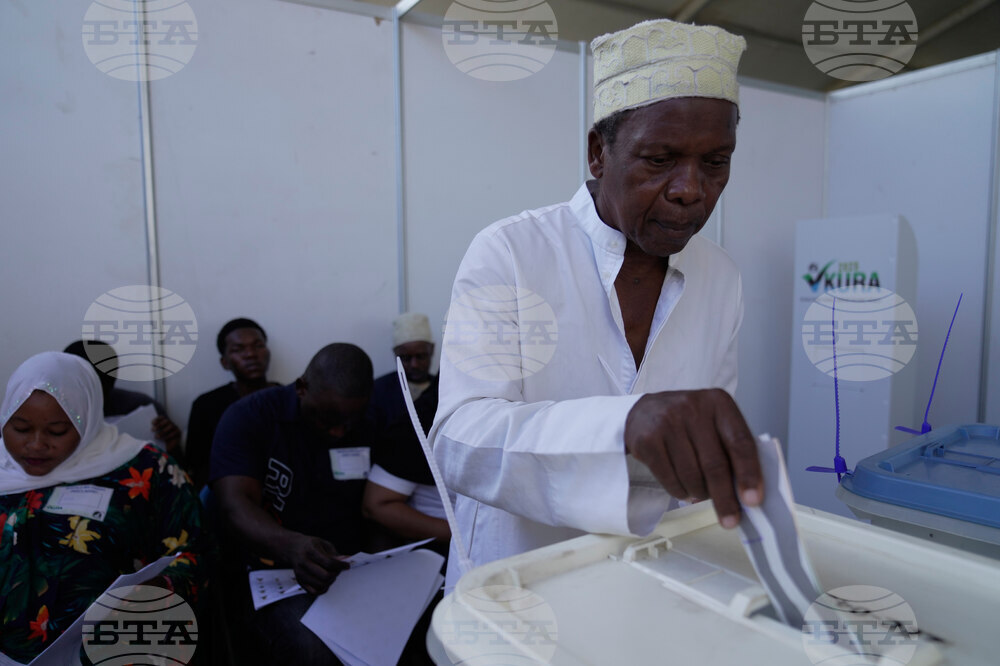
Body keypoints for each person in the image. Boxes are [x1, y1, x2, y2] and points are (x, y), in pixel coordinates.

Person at [430, 18, 765, 589]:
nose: (691, 189)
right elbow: (461, 441)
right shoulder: (511, 252)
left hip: (660, 583)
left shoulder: (720, 277)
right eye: (660, 160)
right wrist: (623, 426)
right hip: (523, 586)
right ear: (597, 154)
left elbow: (698, 447)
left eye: (716, 162)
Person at [0, 352, 204, 664]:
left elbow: (195, 551)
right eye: (21, 427)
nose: (37, 444)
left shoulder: (146, 469)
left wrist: (158, 589)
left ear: (90, 418)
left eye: (57, 431)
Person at [210, 343, 375, 666]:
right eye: (328, 419)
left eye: (350, 421)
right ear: (301, 388)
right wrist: (293, 547)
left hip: (351, 569)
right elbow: (235, 505)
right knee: (313, 649)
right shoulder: (251, 417)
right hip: (273, 571)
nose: (339, 431)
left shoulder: (372, 419)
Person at [186, 318, 280, 490]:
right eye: (238, 349)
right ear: (225, 362)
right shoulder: (206, 405)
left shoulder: (291, 398)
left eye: (258, 346)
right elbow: (196, 467)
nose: (251, 354)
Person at [63, 340, 183, 456]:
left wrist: (170, 447)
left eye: (104, 375)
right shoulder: (53, 409)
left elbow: (177, 469)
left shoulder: (138, 406)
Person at [369, 312, 436, 431]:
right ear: (395, 353)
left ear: (431, 350)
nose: (414, 365)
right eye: (405, 358)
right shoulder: (378, 391)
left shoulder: (442, 389)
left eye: (420, 356)